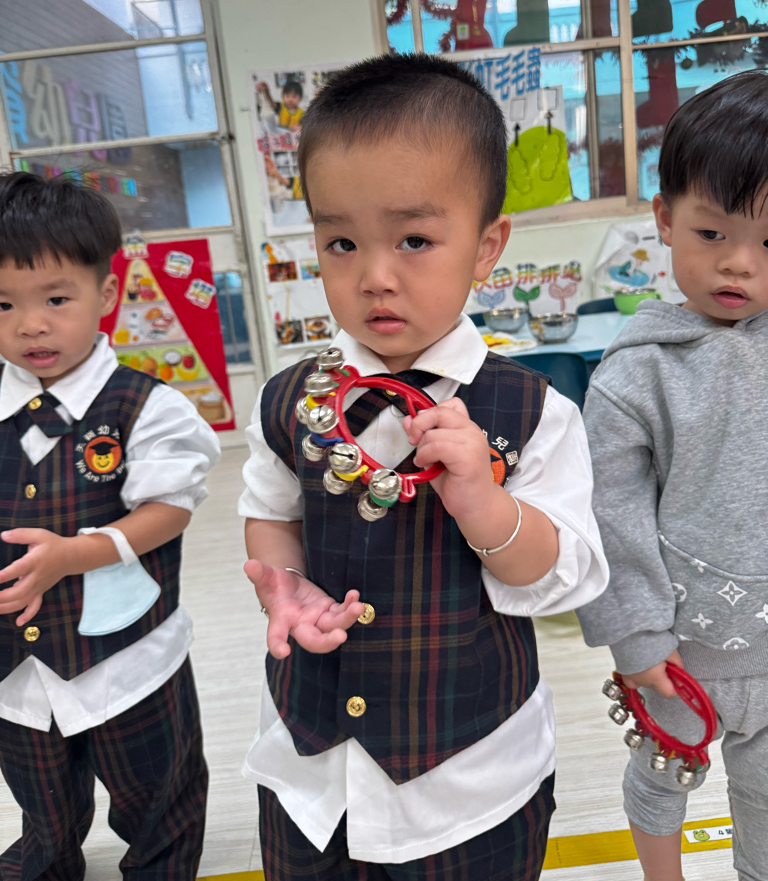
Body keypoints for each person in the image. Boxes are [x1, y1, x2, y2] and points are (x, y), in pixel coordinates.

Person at [239, 52, 608, 880]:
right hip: (310, 775)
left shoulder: (534, 412)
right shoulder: (288, 400)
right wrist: (284, 582)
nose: (375, 277)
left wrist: (484, 503)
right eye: (341, 242)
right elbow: (270, 512)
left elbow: (562, 576)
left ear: (486, 246)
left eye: (414, 240)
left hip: (470, 781)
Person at [0, 172, 220, 880]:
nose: (31, 325)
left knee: (156, 796)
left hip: (127, 657)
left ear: (107, 293)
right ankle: (47, 859)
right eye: (3, 304)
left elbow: (171, 507)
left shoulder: (145, 406)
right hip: (15, 670)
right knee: (42, 802)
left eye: (56, 299)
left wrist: (76, 554)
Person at [576, 70, 768, 881]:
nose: (740, 265)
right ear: (664, 219)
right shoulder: (636, 374)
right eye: (712, 233)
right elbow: (610, 513)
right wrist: (637, 640)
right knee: (663, 775)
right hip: (677, 652)